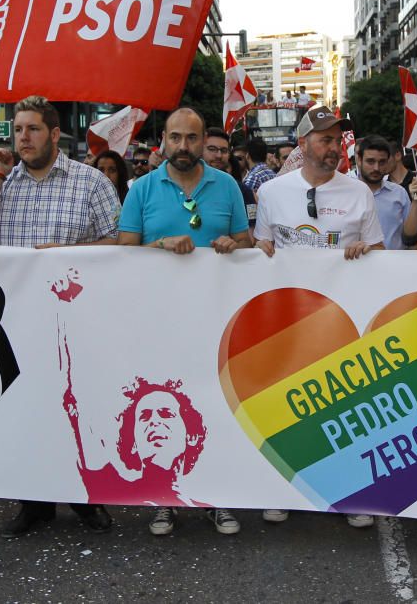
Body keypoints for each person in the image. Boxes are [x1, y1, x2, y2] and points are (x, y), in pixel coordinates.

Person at [0, 95, 119, 538]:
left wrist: (66, 256)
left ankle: (85, 499)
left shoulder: (89, 182)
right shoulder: (5, 182)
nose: (23, 138)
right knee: (26, 410)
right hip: (16, 321)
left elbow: (119, 244)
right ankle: (34, 503)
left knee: (75, 408)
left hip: (75, 318)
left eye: (32, 129)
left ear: (54, 134)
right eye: (17, 130)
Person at [118, 107, 250, 536]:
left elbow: (247, 243)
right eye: (175, 138)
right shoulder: (141, 189)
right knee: (161, 410)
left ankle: (217, 498)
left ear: (202, 141)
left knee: (215, 407)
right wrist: (158, 245)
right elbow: (123, 251)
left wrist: (235, 243)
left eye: (191, 138)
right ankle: (164, 499)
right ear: (164, 141)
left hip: (215, 319)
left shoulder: (227, 185)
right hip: (157, 321)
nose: (183, 147)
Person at [254, 105, 383, 528]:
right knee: (287, 408)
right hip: (288, 321)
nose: (335, 148)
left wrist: (364, 254)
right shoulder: (273, 192)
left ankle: (350, 492)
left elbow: (380, 258)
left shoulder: (359, 192)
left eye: (338, 139)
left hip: (340, 319)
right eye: (326, 139)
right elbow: (262, 252)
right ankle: (281, 489)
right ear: (304, 143)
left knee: (343, 409)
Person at [65, 377, 209, 508]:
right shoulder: (117, 489)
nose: (154, 421)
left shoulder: (211, 498)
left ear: (191, 436)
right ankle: (164, 511)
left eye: (166, 414)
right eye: (144, 417)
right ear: (134, 443)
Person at [356, 135, 413, 250]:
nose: (376, 168)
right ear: (359, 160)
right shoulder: (346, 194)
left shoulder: (400, 194)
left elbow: (411, 236)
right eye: (370, 161)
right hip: (355, 264)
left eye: (382, 162)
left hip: (394, 265)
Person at [202, 127, 257, 231]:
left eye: (224, 150)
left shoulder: (242, 190)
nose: (219, 155)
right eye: (212, 149)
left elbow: (250, 233)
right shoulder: (185, 185)